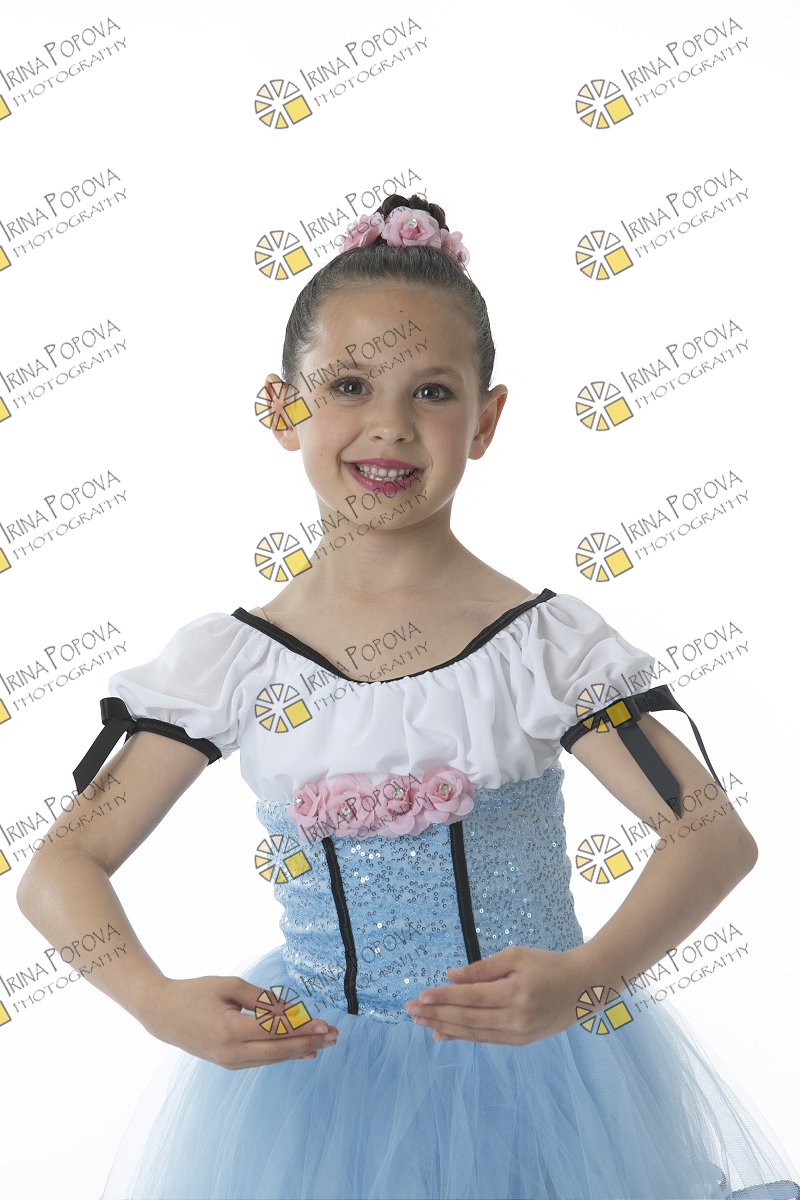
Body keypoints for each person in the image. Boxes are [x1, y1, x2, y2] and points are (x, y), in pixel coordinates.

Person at [16, 193, 800, 1200]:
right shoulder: (233, 664)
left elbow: (709, 833)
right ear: (281, 408)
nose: (388, 426)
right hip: (312, 1096)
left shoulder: (542, 648)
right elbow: (61, 864)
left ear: (486, 420)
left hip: (539, 1089)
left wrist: (585, 978)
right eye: (348, 385)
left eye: (432, 392)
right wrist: (154, 1001)